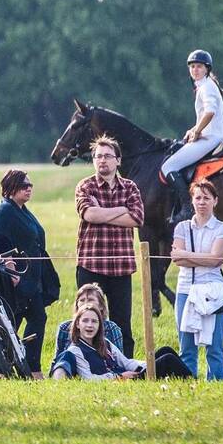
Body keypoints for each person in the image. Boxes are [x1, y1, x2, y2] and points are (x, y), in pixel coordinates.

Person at [75, 135, 143, 357]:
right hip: (91, 264)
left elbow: (137, 219)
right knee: (88, 319)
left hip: (121, 266)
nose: (102, 160)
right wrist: (121, 209)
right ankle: (87, 363)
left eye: (107, 156)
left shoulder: (130, 187)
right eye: (97, 156)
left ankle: (125, 365)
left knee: (122, 322)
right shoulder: (85, 186)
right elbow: (89, 214)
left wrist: (102, 212)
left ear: (118, 161)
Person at [0, 169, 60, 378]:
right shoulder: (4, 212)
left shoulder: (23, 210)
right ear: (10, 188)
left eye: (30, 185)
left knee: (34, 318)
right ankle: (5, 370)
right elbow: (0, 244)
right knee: (12, 322)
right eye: (23, 186)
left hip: (33, 278)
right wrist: (12, 274)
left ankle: (29, 368)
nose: (29, 189)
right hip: (16, 279)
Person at [159, 50, 223, 224]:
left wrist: (197, 131)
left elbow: (210, 112)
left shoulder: (206, 87)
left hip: (212, 138)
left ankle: (187, 208)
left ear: (207, 69)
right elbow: (206, 116)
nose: (195, 70)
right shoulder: (204, 85)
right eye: (192, 66)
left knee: (168, 166)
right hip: (212, 135)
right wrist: (193, 129)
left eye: (199, 66)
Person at [170, 179, 223, 381]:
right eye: (198, 197)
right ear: (192, 201)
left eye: (206, 198)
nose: (202, 202)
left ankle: (217, 381)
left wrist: (188, 255)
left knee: (214, 345)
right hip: (186, 289)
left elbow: (216, 260)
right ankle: (188, 381)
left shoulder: (222, 228)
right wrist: (207, 258)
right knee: (186, 344)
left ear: (215, 201)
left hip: (213, 291)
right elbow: (178, 260)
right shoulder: (181, 227)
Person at [50, 305, 190, 380]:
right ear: (78, 324)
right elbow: (89, 378)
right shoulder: (75, 350)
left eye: (94, 321)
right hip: (122, 381)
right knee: (168, 360)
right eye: (85, 321)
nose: (90, 325)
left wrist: (146, 366)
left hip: (129, 374)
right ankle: (193, 384)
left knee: (165, 351)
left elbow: (126, 362)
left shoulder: (105, 343)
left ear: (100, 325)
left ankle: (188, 381)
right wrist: (118, 377)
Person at [54, 283, 124, 360]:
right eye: (82, 300)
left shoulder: (111, 328)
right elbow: (58, 360)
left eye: (90, 299)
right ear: (77, 305)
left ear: (101, 305)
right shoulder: (64, 328)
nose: (85, 303)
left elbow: (119, 361)